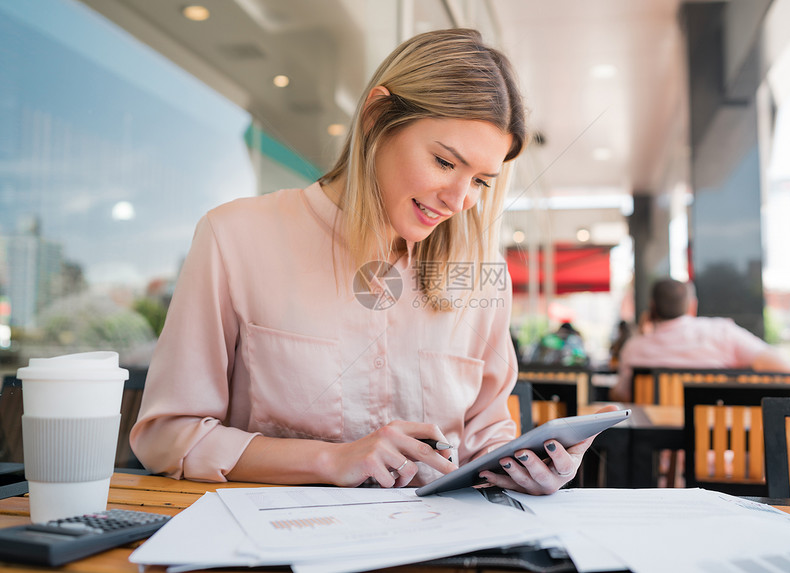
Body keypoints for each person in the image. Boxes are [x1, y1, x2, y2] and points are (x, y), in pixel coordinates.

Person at [130, 28, 613, 495]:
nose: (459, 199)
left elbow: (486, 435)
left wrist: (528, 466)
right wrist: (330, 459)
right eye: (445, 163)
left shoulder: (481, 275)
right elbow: (167, 437)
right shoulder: (234, 237)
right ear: (376, 116)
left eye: (481, 181)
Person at [610, 278, 790, 402]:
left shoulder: (634, 347)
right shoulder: (722, 332)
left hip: (656, 456)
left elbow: (621, 395)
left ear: (652, 308)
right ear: (692, 306)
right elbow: (787, 371)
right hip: (721, 451)